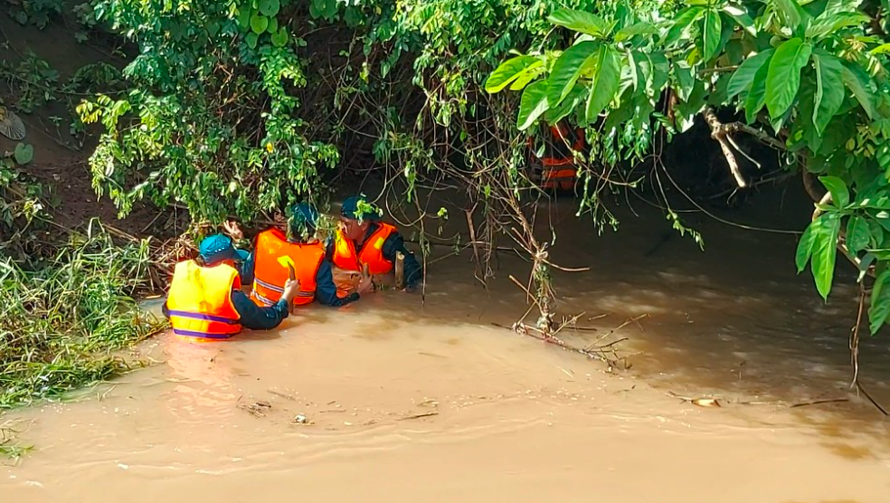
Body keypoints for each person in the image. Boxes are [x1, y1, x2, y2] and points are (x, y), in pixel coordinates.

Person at [163, 234, 299, 340]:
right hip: (217, 352)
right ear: (225, 262)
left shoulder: (181, 284)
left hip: (181, 351)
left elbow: (166, 310)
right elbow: (267, 321)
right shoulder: (232, 296)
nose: (236, 265)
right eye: (234, 261)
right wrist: (286, 297)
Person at [244, 203, 369, 308]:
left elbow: (245, 275)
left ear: (288, 226)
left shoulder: (265, 241)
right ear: (313, 229)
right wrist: (359, 292)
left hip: (258, 309)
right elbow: (331, 303)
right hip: (296, 313)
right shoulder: (317, 258)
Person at [328, 195, 423, 292]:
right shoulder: (335, 241)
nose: (342, 227)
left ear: (363, 225)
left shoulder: (389, 243)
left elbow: (413, 270)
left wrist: (409, 289)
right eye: (341, 221)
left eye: (347, 223)